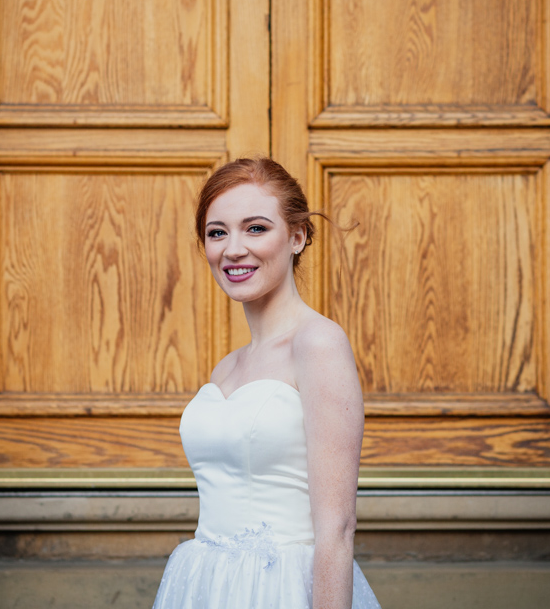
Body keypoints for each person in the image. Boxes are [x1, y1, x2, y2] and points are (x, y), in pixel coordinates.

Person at [152, 158, 381, 609]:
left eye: (255, 228)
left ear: (296, 237)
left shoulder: (318, 344)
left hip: (282, 590)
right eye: (217, 232)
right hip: (206, 586)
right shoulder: (227, 369)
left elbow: (337, 527)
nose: (233, 249)